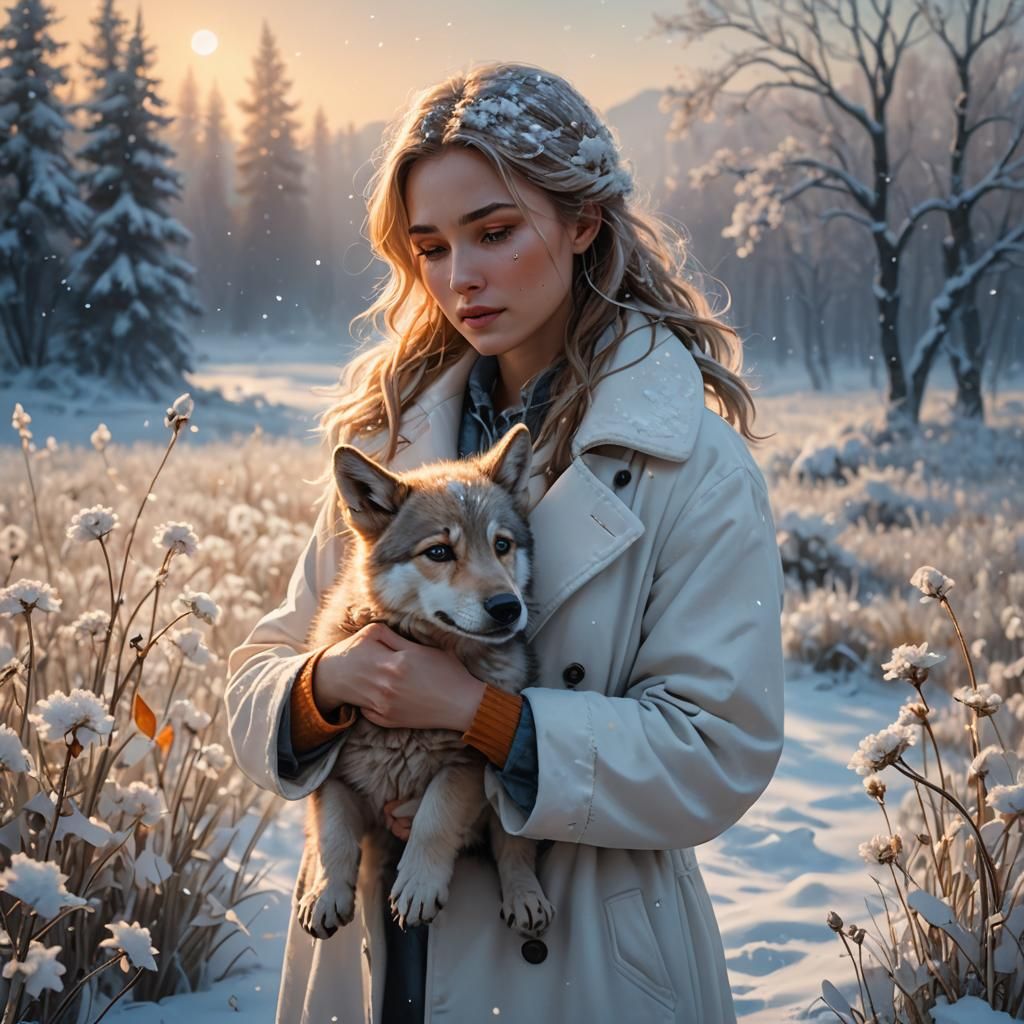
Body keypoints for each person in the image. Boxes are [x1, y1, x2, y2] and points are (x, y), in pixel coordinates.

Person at [225, 60, 786, 1024]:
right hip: (372, 957)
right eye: (431, 246)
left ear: (583, 222)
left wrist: (483, 718)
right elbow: (264, 668)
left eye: (493, 232)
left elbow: (717, 749)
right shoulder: (389, 443)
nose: (460, 278)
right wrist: (325, 687)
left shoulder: (691, 465)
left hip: (580, 961)